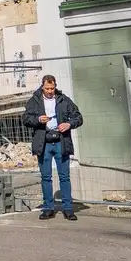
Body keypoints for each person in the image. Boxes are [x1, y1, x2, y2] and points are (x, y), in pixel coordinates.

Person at [23, 74, 84, 221]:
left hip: (61, 142)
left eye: (52, 88)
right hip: (43, 143)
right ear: (42, 87)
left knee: (64, 176)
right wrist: (38, 120)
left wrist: (69, 124)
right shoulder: (35, 100)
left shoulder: (64, 100)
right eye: (47, 88)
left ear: (55, 86)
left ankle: (68, 209)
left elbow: (78, 117)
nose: (50, 91)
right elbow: (25, 118)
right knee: (46, 177)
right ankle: (48, 208)